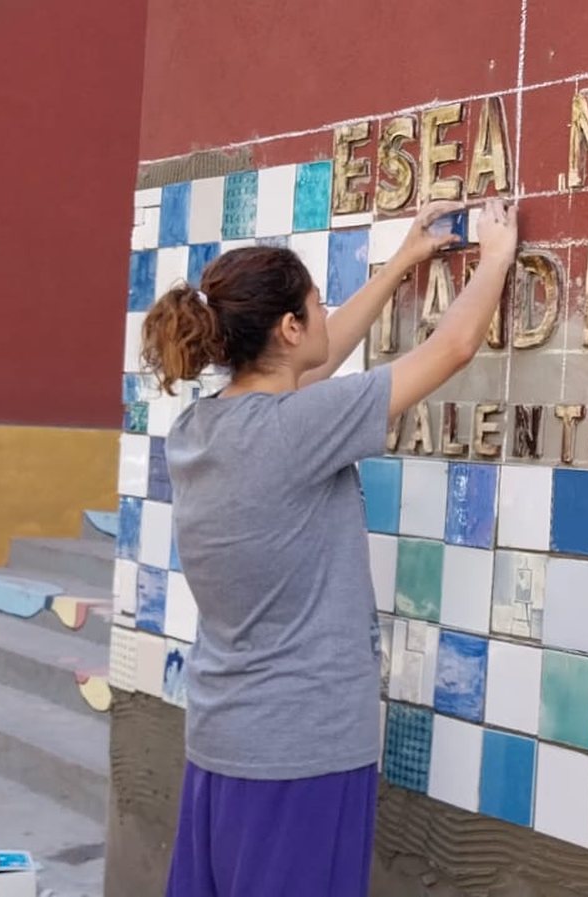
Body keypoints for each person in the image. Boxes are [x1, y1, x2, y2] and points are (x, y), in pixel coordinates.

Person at [140, 198, 519, 897]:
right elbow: (452, 349)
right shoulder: (294, 429)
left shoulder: (199, 428)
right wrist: (495, 255)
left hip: (222, 744)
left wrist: (402, 262)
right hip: (301, 752)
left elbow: (311, 363)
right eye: (316, 302)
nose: (323, 311)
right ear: (288, 327)